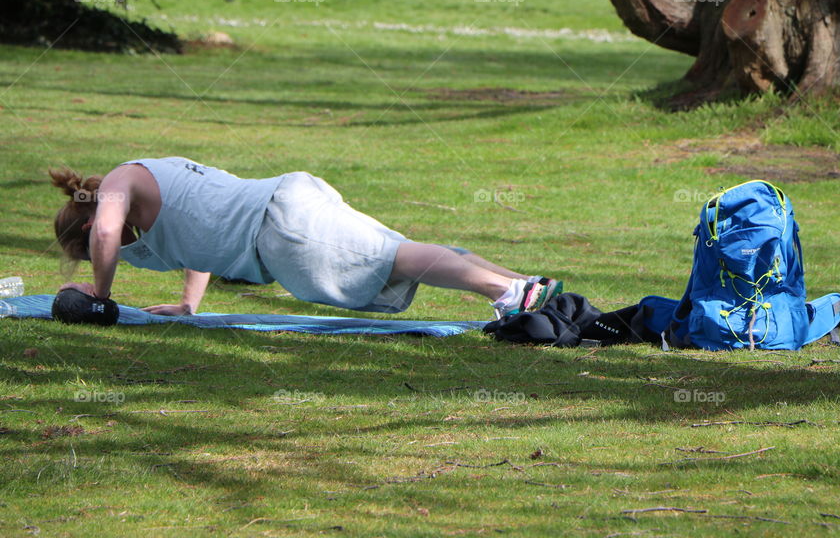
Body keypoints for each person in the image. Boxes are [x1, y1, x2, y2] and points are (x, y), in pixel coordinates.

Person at [50, 157, 563, 318]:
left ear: (90, 224)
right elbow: (201, 242)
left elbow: (109, 235)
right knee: (402, 252)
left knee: (397, 257)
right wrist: (188, 305)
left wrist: (102, 295)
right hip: (284, 210)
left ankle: (508, 295)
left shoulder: (121, 182)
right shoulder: (151, 195)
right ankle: (528, 287)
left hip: (282, 224)